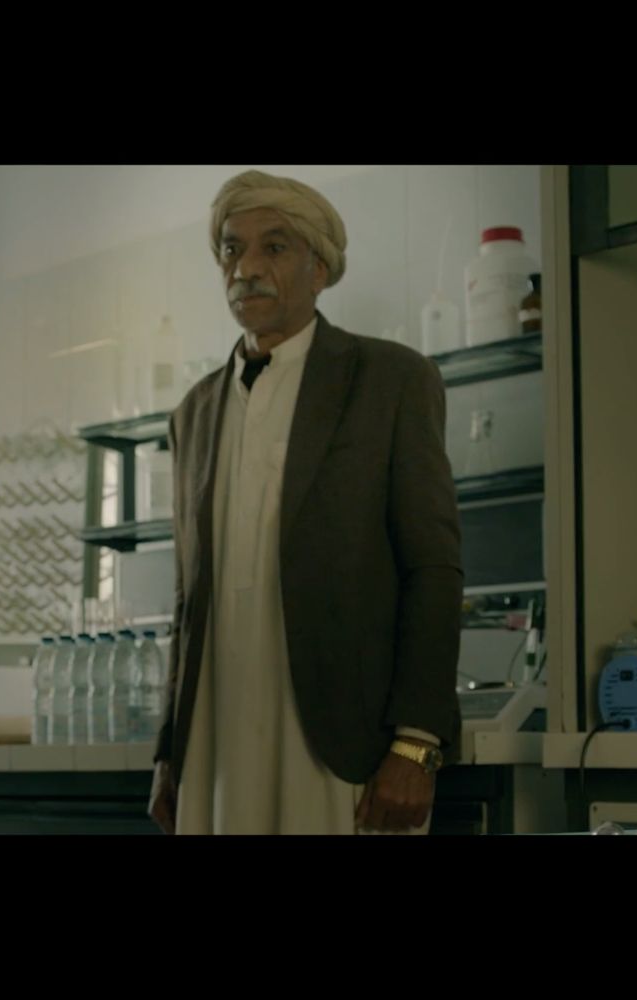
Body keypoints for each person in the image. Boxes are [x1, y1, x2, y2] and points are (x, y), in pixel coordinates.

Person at [149, 170, 463, 835]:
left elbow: (433, 569)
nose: (246, 269)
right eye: (232, 249)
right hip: (214, 752)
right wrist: (169, 754)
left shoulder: (390, 380)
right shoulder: (192, 415)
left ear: (320, 269)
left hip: (344, 752)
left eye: (275, 247)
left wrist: (417, 744)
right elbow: (187, 602)